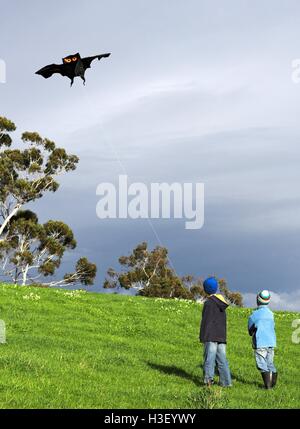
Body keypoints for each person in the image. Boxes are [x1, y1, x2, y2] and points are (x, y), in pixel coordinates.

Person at [199, 277, 232, 387]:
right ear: (216, 288)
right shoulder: (222, 303)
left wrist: (202, 336)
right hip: (221, 336)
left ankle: (208, 381)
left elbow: (205, 321)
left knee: (209, 358)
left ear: (205, 289)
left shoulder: (208, 303)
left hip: (210, 336)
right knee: (222, 360)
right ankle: (226, 382)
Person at [248, 290, 277, 389]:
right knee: (270, 363)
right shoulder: (271, 314)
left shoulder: (254, 315)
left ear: (257, 300)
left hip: (260, 343)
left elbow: (250, 330)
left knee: (261, 364)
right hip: (271, 342)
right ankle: (273, 384)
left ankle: (268, 387)